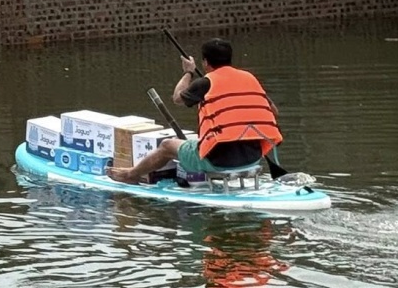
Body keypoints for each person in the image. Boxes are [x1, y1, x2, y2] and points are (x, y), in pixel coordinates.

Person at [109, 38, 282, 185]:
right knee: (201, 140)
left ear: (205, 62)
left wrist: (188, 73)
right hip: (253, 157)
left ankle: (130, 175)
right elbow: (273, 111)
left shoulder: (205, 83)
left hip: (218, 162)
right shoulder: (249, 78)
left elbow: (177, 98)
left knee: (167, 146)